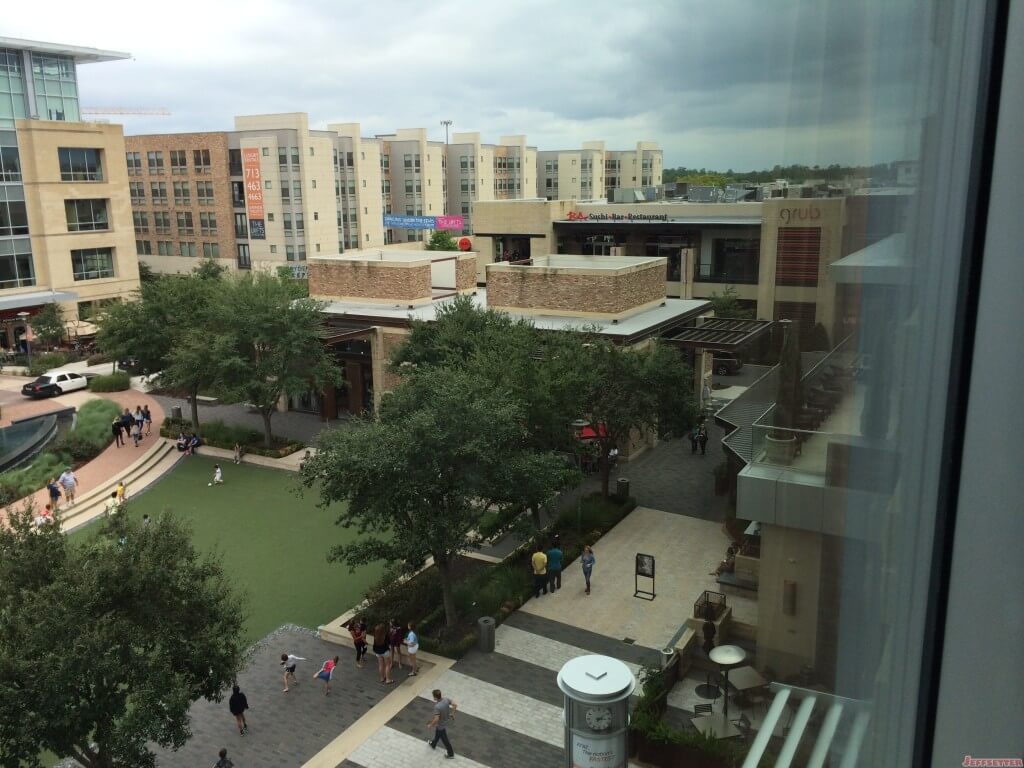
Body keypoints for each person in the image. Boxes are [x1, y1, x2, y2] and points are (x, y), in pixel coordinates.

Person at [426, 688, 457, 758]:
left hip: (441, 725)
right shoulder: (446, 699)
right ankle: (433, 744)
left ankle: (451, 754)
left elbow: (436, 719)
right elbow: (455, 705)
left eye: (433, 696)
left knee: (445, 740)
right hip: (445, 721)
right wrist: (452, 713)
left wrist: (430, 725)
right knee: (437, 734)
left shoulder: (437, 706)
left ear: (435, 697)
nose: (433, 697)